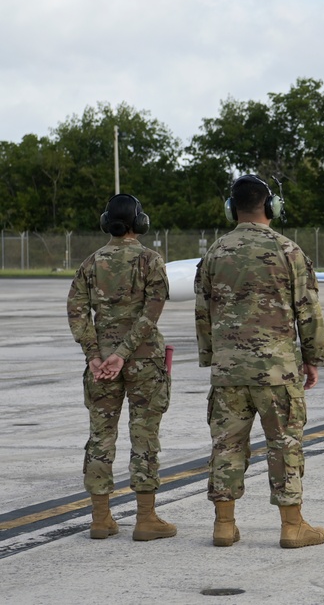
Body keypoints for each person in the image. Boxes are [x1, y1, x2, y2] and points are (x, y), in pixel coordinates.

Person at [195, 174, 324, 548]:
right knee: (284, 444)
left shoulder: (214, 254)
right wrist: (313, 358)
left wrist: (213, 357)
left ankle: (224, 525)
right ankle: (292, 527)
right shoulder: (289, 251)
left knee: (226, 445)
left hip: (228, 372)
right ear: (270, 207)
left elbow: (202, 311)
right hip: (277, 370)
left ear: (231, 209)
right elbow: (308, 309)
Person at [67, 193, 176, 541]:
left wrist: (95, 355)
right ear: (139, 223)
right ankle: (146, 519)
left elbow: (77, 311)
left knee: (101, 435)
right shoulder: (150, 260)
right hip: (143, 361)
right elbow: (151, 311)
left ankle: (100, 519)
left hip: (101, 364)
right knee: (145, 435)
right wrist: (125, 352)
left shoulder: (91, 263)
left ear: (106, 223)